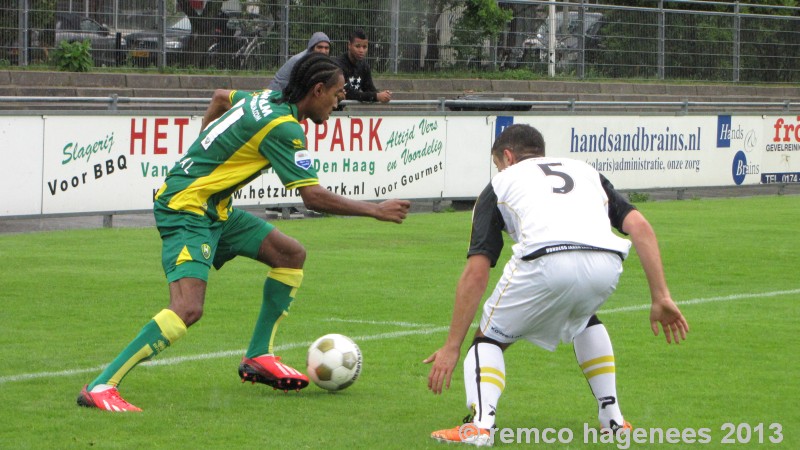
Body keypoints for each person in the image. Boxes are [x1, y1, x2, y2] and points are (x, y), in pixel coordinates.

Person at [76, 53, 411, 412]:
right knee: (187, 308)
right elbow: (312, 197)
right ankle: (100, 386)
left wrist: (201, 149)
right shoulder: (284, 128)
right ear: (317, 90)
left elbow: (221, 96)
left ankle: (258, 355)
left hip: (213, 208)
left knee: (290, 254)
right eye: (338, 93)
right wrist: (375, 210)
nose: (340, 100)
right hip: (187, 209)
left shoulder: (264, 99)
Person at [424, 124, 688, 445]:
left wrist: (452, 346)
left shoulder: (499, 184)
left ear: (507, 157)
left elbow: (477, 271)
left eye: (497, 164)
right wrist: (660, 296)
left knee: (488, 340)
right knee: (584, 320)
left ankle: (481, 426)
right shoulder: (586, 172)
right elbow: (640, 226)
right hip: (607, 261)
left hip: (545, 261)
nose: (498, 169)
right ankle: (613, 419)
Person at [334, 28, 391, 104]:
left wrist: (383, 94)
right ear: (349, 45)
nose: (361, 51)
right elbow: (349, 93)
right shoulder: (339, 65)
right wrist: (376, 96)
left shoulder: (364, 66)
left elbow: (369, 88)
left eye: (364, 47)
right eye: (357, 46)